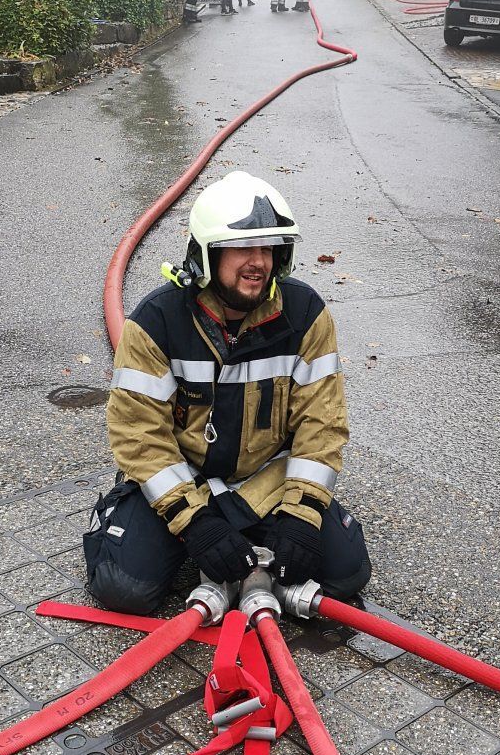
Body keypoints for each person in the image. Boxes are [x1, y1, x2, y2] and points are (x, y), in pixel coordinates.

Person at [84, 171, 372, 615]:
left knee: (347, 573)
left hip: (266, 482)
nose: (258, 261)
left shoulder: (306, 316)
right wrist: (195, 523)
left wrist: (302, 514)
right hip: (186, 480)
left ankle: (254, 540)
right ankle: (127, 521)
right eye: (241, 248)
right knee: (122, 588)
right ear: (205, 255)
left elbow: (323, 423)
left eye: (268, 248)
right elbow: (138, 433)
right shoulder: (157, 322)